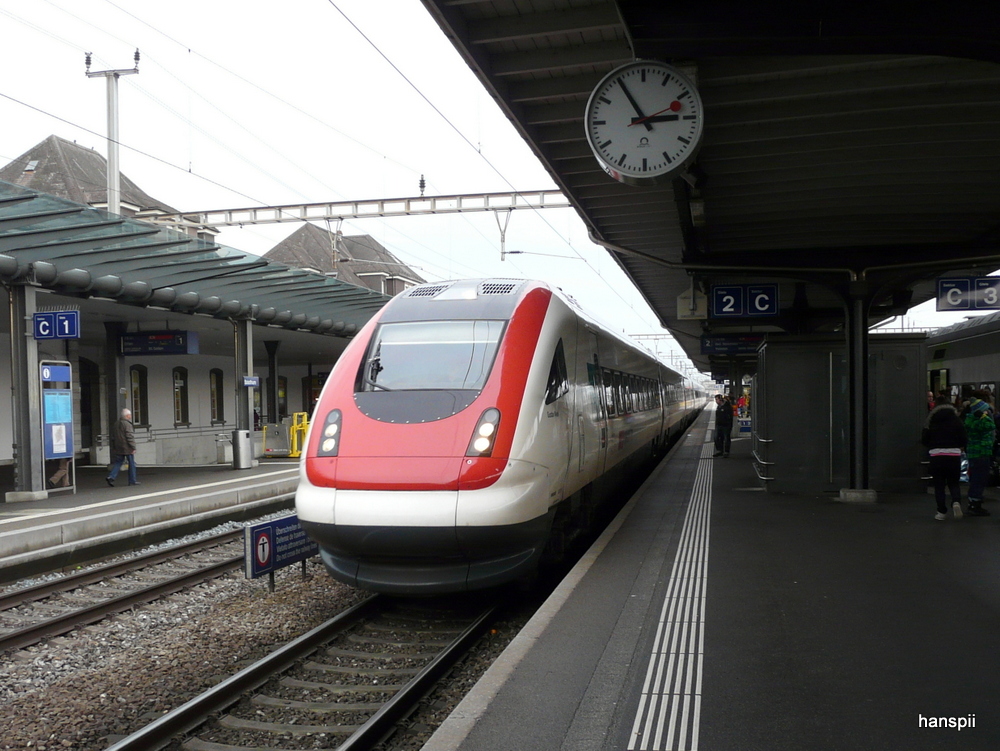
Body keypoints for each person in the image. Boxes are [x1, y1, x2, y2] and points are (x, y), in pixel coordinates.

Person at [923, 395, 967, 520]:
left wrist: (931, 445)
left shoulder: (931, 419)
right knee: (953, 482)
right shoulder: (956, 420)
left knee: (939, 485)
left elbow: (925, 438)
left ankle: (941, 512)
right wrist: (959, 446)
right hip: (953, 454)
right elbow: (964, 438)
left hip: (937, 455)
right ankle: (956, 502)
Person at [963, 398, 994, 516]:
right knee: (979, 479)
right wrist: (983, 416)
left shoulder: (969, 420)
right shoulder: (979, 421)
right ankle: (975, 504)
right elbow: (991, 425)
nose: (987, 412)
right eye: (985, 410)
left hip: (975, 454)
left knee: (976, 478)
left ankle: (973, 501)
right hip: (981, 454)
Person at [106, 408, 139, 487]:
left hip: (118, 447)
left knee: (118, 462)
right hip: (127, 447)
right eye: (130, 415)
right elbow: (129, 436)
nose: (131, 416)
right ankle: (132, 480)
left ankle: (111, 476)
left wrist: (114, 446)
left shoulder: (116, 424)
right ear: (127, 416)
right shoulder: (127, 424)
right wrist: (133, 447)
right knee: (131, 463)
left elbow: (113, 436)